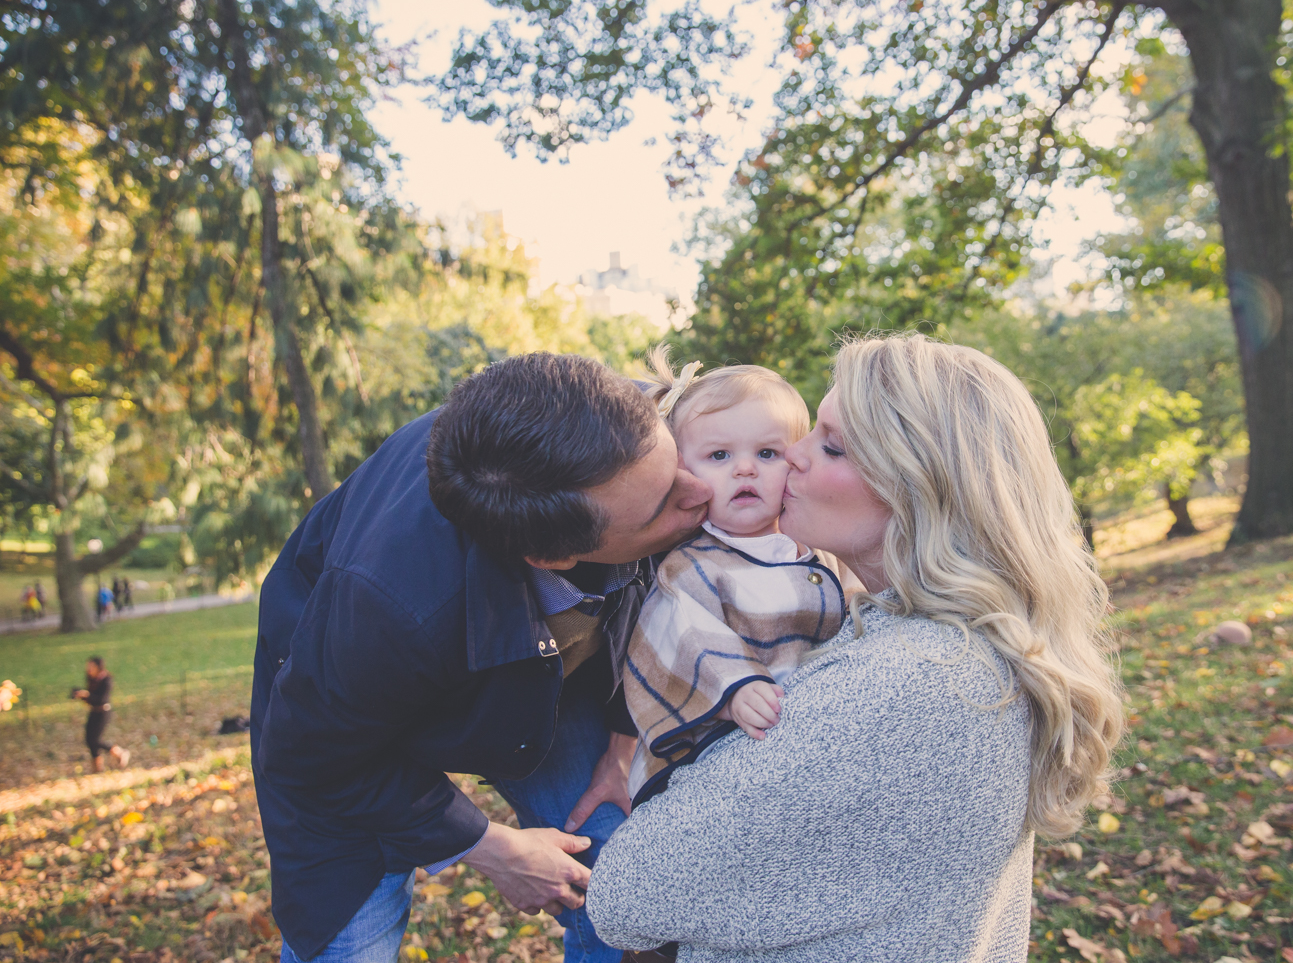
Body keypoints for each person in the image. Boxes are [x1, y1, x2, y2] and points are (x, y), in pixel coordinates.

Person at [588, 334, 1126, 963]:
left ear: (919, 487)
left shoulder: (907, 681)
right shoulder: (941, 643)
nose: (793, 456)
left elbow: (625, 897)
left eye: (831, 444)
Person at [252, 353, 712, 963]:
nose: (702, 492)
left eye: (676, 460)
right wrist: (490, 846)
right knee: (347, 942)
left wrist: (621, 744)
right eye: (662, 507)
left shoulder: (616, 420)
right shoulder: (388, 606)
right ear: (553, 556)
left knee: (618, 873)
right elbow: (311, 755)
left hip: (553, 665)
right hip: (339, 725)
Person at [624, 352, 849, 802]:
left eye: (767, 453)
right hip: (725, 745)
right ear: (683, 470)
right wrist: (733, 689)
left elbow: (858, 610)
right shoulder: (694, 566)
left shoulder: (819, 549)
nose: (745, 469)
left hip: (809, 738)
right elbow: (681, 633)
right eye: (719, 455)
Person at [73, 657, 130, 772]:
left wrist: (87, 695)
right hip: (93, 711)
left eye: (91, 666)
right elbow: (92, 699)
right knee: (89, 740)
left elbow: (101, 699)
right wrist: (81, 696)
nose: (89, 669)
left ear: (98, 667)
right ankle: (97, 767)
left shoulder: (106, 680)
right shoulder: (92, 679)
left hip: (103, 712)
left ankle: (119, 752)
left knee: (96, 740)